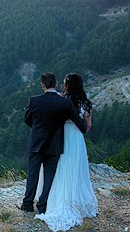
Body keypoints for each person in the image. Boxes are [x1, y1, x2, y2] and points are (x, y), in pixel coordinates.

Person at [35, 73, 98, 231]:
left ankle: (53, 200)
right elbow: (88, 125)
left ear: (67, 85)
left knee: (60, 168)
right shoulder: (85, 102)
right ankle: (77, 201)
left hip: (61, 137)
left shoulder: (62, 100)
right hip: (77, 139)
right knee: (76, 170)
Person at [20, 72, 88, 214]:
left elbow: (27, 120)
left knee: (33, 174)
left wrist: (38, 127)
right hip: (55, 143)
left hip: (37, 142)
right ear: (56, 84)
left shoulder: (34, 100)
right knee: (49, 176)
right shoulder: (65, 102)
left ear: (42, 85)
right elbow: (78, 122)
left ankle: (27, 204)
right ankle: (42, 205)